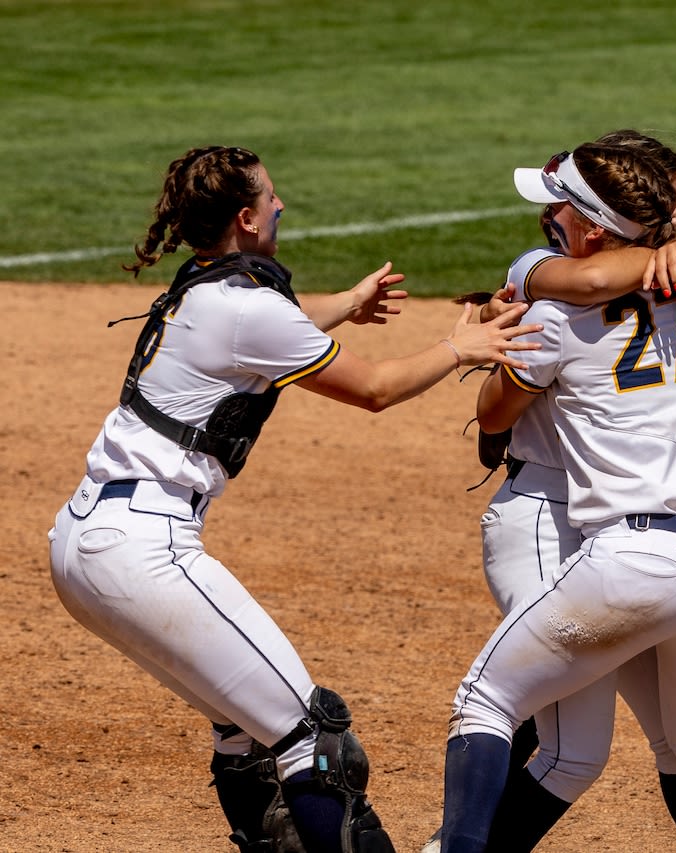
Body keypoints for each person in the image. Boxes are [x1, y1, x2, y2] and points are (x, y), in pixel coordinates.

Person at [47, 145, 538, 853]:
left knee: (246, 731)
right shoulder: (244, 307)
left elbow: (273, 327)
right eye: (271, 197)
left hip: (86, 539)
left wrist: (347, 304)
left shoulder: (204, 285)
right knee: (319, 744)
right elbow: (373, 389)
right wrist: (462, 347)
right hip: (141, 549)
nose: (281, 205)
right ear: (246, 217)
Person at [439, 137, 676, 853]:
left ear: (588, 228)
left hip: (630, 557)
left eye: (559, 209)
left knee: (485, 702)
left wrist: (494, 341)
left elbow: (493, 417)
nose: (548, 216)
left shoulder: (555, 314)